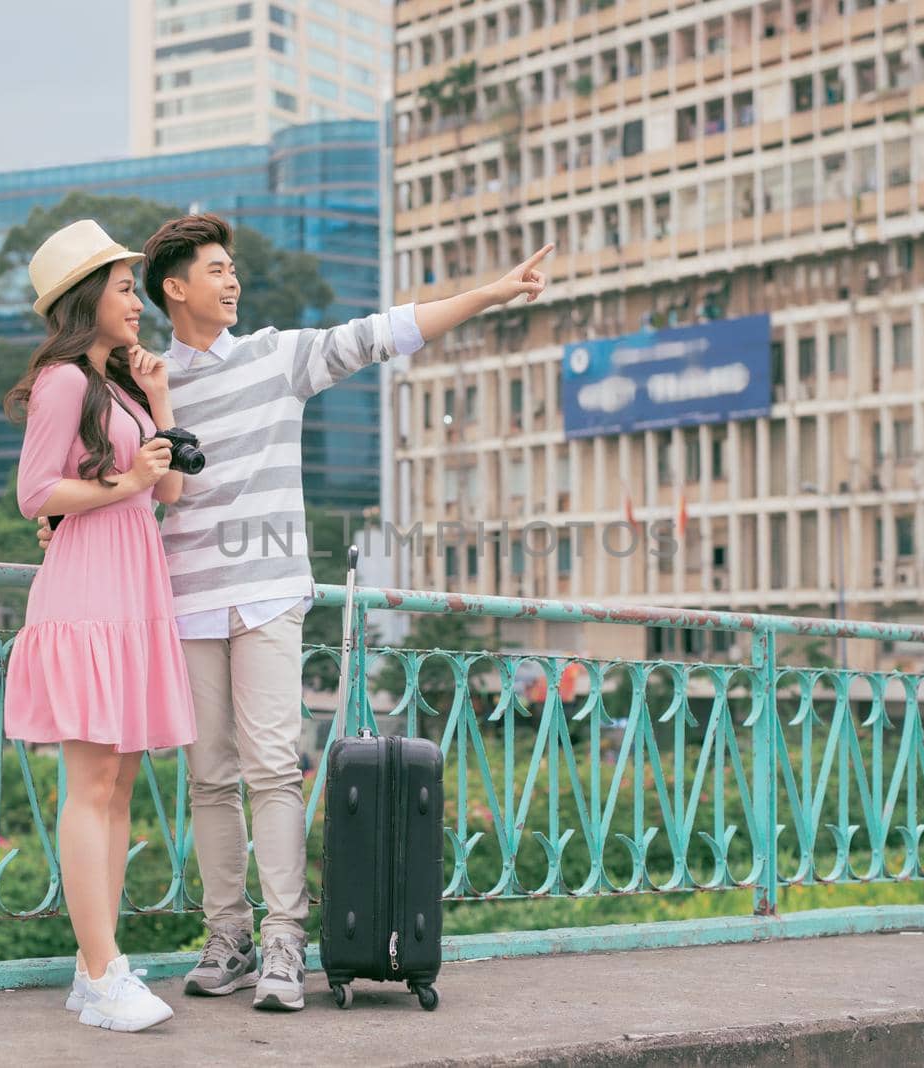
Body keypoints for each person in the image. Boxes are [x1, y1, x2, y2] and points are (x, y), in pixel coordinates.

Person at [39, 213, 551, 1012]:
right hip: (182, 596)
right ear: (174, 289)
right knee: (209, 777)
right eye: (215, 270)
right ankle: (228, 937)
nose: (232, 280)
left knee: (274, 766)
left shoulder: (278, 355)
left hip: (272, 590)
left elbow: (386, 332)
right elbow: (97, 472)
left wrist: (493, 292)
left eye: (233, 267)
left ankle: (285, 939)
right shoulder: (143, 380)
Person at [5, 219, 198, 1033]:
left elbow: (171, 495)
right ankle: (100, 969)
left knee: (117, 787)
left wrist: (157, 404)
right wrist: (125, 479)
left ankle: (99, 965)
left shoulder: (116, 388)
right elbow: (35, 493)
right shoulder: (61, 383)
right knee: (90, 787)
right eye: (125, 287)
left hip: (128, 590)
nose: (138, 302)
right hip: (87, 593)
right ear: (89, 297)